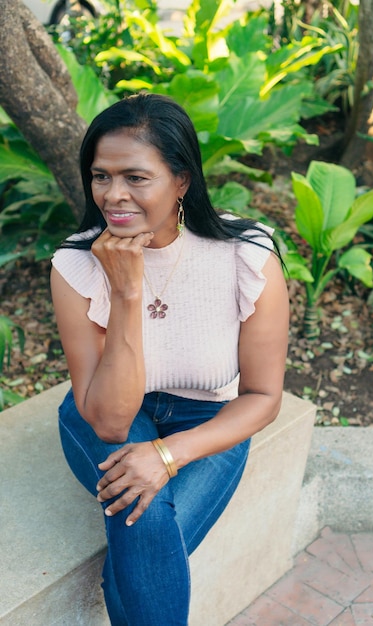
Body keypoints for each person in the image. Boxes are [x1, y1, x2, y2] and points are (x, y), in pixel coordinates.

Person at [50, 91, 289, 626]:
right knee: (145, 514)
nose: (114, 195)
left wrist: (165, 454)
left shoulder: (246, 255)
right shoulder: (76, 263)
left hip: (209, 419)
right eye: (101, 176)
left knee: (137, 545)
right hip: (100, 410)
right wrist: (127, 293)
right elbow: (110, 422)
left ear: (181, 179)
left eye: (136, 177)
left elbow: (263, 396)